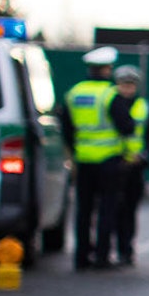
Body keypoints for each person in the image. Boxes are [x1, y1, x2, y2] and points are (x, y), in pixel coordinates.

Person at [57, 46, 126, 271]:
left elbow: (66, 127)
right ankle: (102, 257)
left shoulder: (74, 93)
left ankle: (81, 257)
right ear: (107, 69)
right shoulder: (111, 94)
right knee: (107, 209)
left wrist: (75, 150)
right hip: (108, 160)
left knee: (83, 210)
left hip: (83, 160)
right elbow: (126, 125)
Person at [111, 65, 149, 269]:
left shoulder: (144, 107)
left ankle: (126, 250)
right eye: (124, 84)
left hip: (135, 167)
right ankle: (110, 249)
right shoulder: (110, 102)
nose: (127, 89)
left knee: (129, 211)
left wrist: (145, 155)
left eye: (131, 85)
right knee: (112, 209)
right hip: (114, 164)